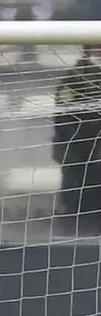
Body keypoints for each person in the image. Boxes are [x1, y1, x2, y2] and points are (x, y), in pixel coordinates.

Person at [53, 44, 101, 235]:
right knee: (78, 202)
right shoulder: (75, 78)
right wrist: (91, 145)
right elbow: (64, 119)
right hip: (77, 155)